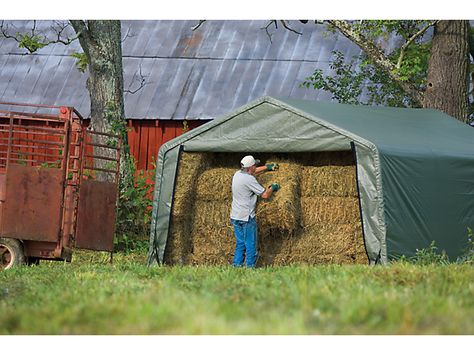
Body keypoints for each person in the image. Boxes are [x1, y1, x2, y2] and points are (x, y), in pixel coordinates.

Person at [230, 155, 280, 268]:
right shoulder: (249, 180)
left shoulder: (237, 174)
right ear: (250, 168)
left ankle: (236, 266)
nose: (256, 167)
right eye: (254, 165)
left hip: (235, 216)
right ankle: (250, 267)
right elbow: (265, 195)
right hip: (246, 218)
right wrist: (273, 187)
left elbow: (254, 171)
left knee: (240, 243)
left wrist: (267, 167)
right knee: (250, 243)